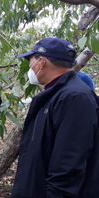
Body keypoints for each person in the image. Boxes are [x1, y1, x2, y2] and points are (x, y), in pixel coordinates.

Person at [11, 37, 99, 198]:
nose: (30, 67)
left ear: (41, 62)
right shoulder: (55, 94)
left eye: (30, 61)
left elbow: (68, 166)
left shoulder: (74, 97)